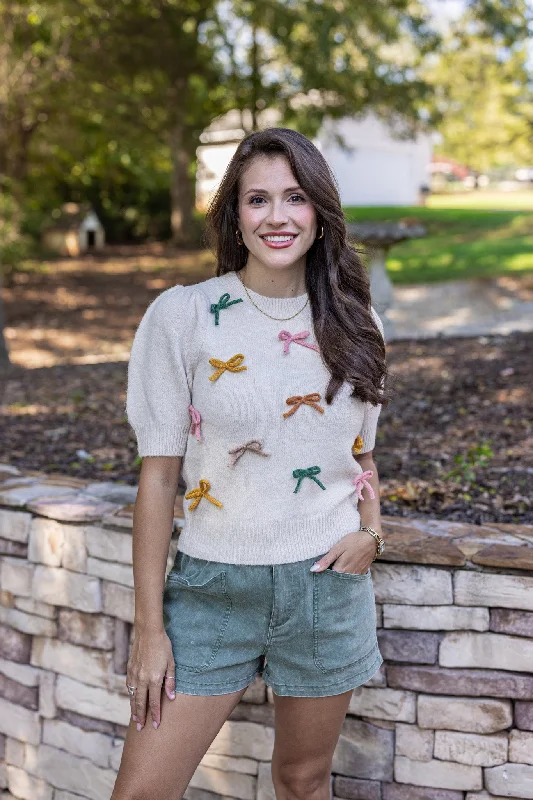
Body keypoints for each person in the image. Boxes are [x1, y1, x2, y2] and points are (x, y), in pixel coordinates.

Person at [111, 127, 389, 800]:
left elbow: (361, 455)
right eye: (256, 199)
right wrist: (150, 631)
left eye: (294, 197)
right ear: (234, 216)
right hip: (211, 591)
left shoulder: (356, 323)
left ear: (319, 213)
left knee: (302, 780)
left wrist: (372, 532)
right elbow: (157, 478)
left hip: (326, 589)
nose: (276, 216)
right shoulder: (185, 315)